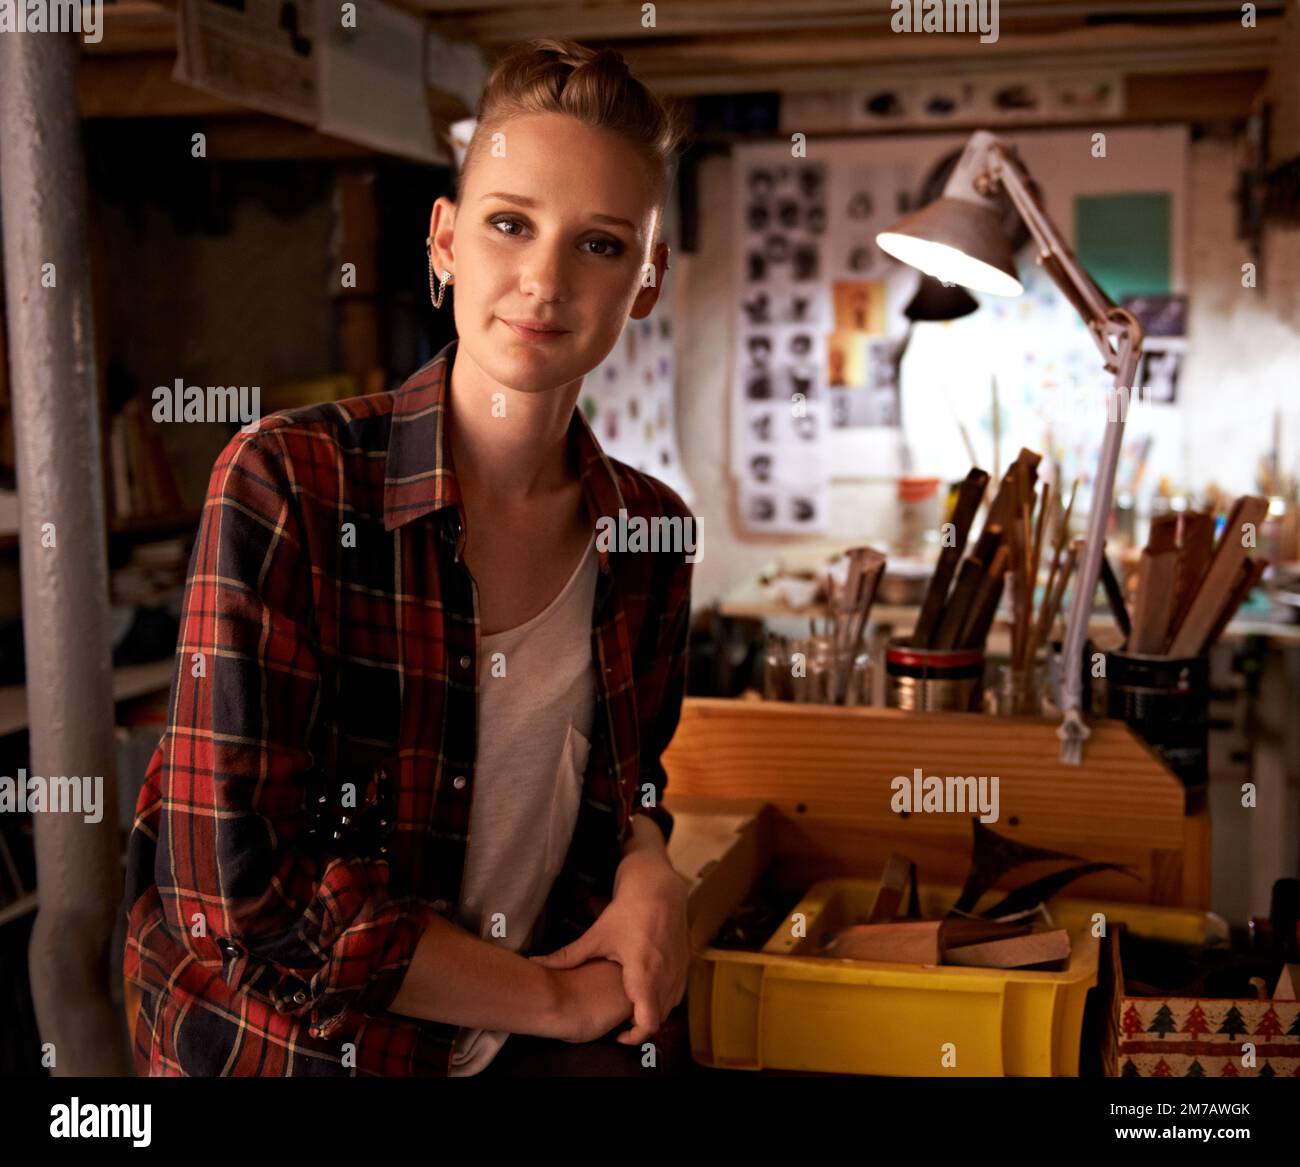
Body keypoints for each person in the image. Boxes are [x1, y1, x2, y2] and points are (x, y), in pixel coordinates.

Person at [121, 38, 696, 1077]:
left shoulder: (650, 535)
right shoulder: (288, 480)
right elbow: (236, 888)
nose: (543, 279)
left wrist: (650, 859)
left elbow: (623, 783)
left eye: (600, 245)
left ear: (646, 282)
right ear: (443, 243)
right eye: (509, 224)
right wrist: (558, 1001)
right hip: (286, 1058)